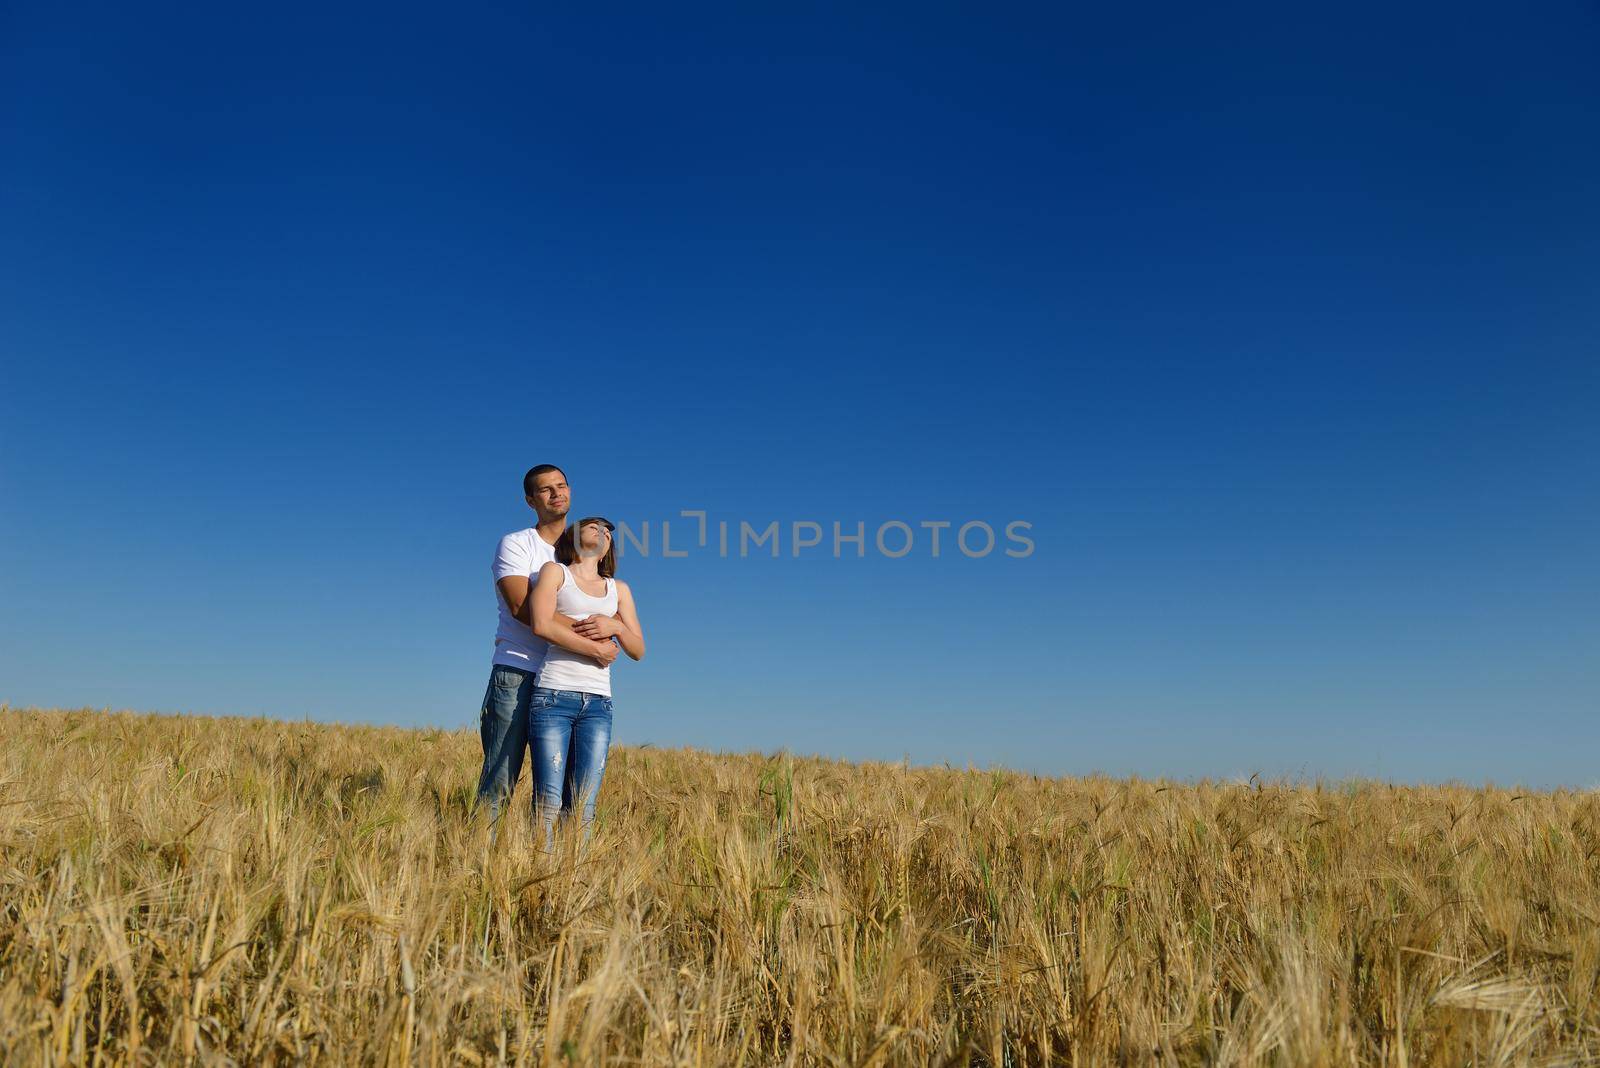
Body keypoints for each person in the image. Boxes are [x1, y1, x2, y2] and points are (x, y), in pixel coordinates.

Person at [476, 465, 618, 825]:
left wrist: (608, 629)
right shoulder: (517, 544)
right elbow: (522, 607)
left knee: (568, 794)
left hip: (569, 681)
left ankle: (555, 872)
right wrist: (593, 636)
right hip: (519, 672)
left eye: (561, 485)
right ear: (530, 500)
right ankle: (480, 868)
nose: (556, 493)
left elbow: (606, 604)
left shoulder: (582, 551)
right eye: (545, 489)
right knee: (500, 782)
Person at [528, 516, 645, 847]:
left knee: (584, 805)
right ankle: (541, 878)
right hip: (553, 696)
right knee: (548, 801)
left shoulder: (618, 590)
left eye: (607, 531)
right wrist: (596, 647)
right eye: (593, 526)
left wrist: (617, 628)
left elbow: (638, 650)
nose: (602, 532)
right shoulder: (556, 573)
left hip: (598, 704)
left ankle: (574, 878)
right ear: (573, 536)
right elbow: (541, 624)